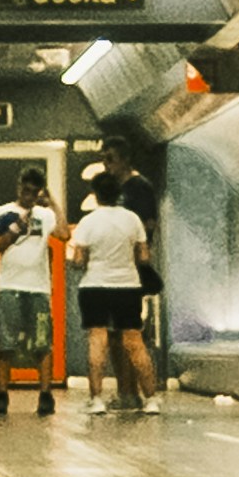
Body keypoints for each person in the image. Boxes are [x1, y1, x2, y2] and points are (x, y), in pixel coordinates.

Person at [69, 164, 157, 414]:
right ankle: (151, 399)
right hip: (127, 286)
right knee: (135, 342)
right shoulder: (133, 219)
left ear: (96, 194)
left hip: (94, 286)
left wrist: (85, 261)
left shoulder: (88, 222)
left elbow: (78, 260)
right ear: (118, 193)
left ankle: (96, 400)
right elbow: (143, 257)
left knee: (98, 340)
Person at [0, 165, 60, 420]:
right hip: (9, 287)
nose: (28, 196)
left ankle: (45, 394)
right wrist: (15, 229)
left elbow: (64, 233)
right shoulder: (2, 213)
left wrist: (54, 205)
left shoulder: (45, 215)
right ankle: (2, 394)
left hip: (38, 288)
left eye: (33, 192)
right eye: (25, 191)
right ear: (19, 188)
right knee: (6, 343)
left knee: (42, 343)